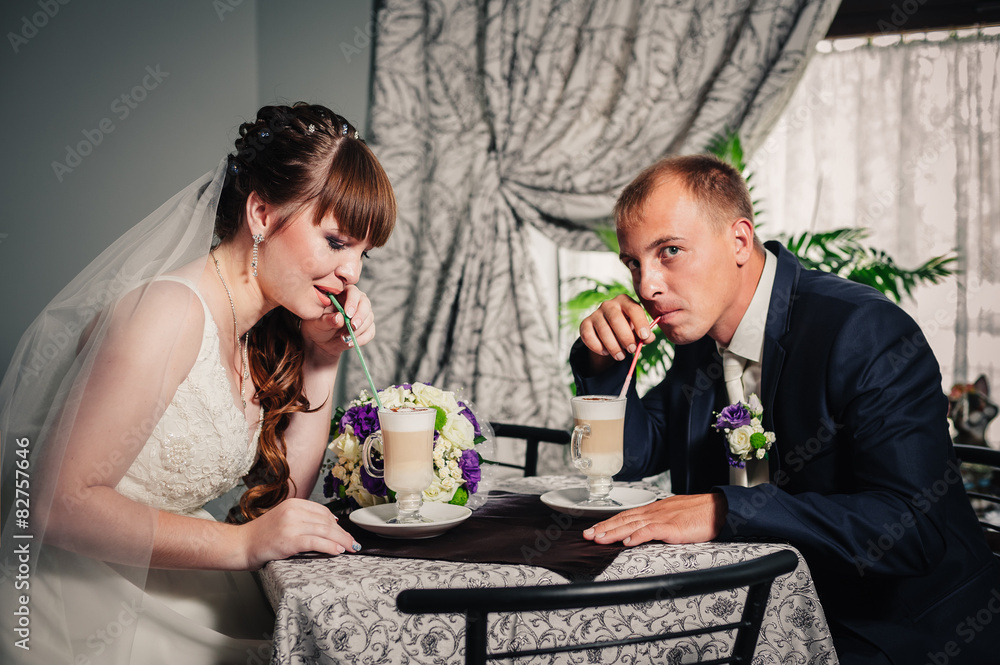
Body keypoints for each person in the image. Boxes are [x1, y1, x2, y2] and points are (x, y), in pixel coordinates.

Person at [0, 102, 396, 664]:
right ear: (261, 213)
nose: (352, 272)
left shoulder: (253, 329)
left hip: (173, 578)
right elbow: (55, 505)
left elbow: (284, 508)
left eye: (363, 253)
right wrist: (240, 545)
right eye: (336, 242)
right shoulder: (169, 311)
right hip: (78, 601)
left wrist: (322, 355)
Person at [570, 154, 1000, 664]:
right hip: (762, 609)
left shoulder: (863, 331)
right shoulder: (700, 334)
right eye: (634, 263)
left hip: (899, 631)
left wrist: (725, 509)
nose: (646, 287)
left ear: (738, 239)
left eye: (670, 251)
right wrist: (604, 362)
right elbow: (638, 452)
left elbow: (913, 527)